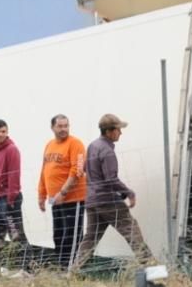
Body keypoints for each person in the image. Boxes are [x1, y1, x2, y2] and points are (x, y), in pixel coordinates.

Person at [69, 113, 153, 273]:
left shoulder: (93, 146)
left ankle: (75, 270)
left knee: (90, 238)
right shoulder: (107, 151)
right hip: (107, 201)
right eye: (118, 129)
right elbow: (110, 179)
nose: (120, 133)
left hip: (92, 200)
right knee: (131, 229)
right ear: (109, 131)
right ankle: (150, 267)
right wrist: (129, 193)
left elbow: (86, 170)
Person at [38, 114, 88, 270]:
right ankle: (61, 266)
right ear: (52, 127)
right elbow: (44, 171)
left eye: (66, 126)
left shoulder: (76, 144)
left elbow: (77, 171)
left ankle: (71, 269)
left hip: (73, 199)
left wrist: (63, 192)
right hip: (55, 200)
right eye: (60, 126)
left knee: (71, 235)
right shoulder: (49, 145)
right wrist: (41, 194)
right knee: (58, 235)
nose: (63, 129)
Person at [0, 119, 27, 274]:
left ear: (7, 132)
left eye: (3, 131)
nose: (1, 134)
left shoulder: (12, 150)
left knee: (16, 234)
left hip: (10, 199)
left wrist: (11, 199)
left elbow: (14, 176)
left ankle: (27, 269)